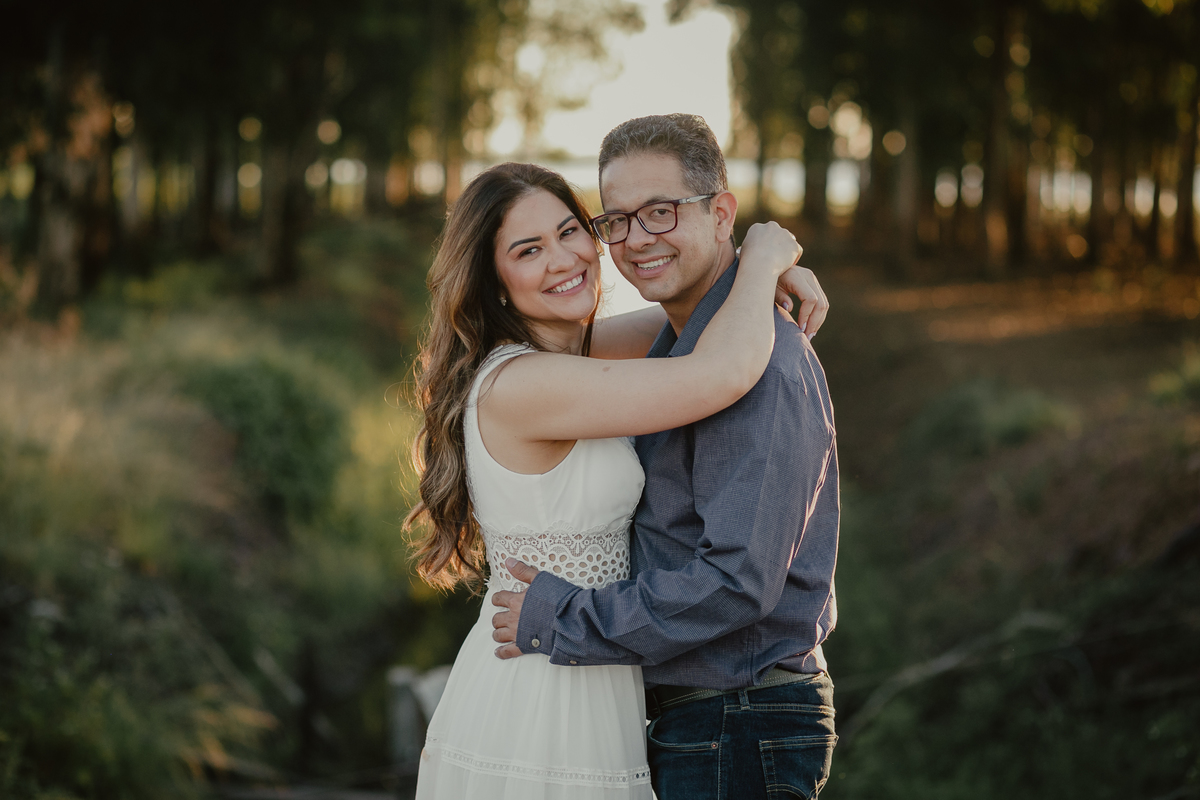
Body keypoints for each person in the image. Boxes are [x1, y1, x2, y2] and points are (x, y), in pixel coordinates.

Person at [406, 158, 823, 799]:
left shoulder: (577, 352)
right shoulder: (523, 383)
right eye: (528, 250)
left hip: (595, 660)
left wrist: (743, 268)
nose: (563, 259)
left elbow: (699, 312)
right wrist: (765, 259)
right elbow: (721, 370)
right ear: (495, 282)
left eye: (569, 231)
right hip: (542, 683)